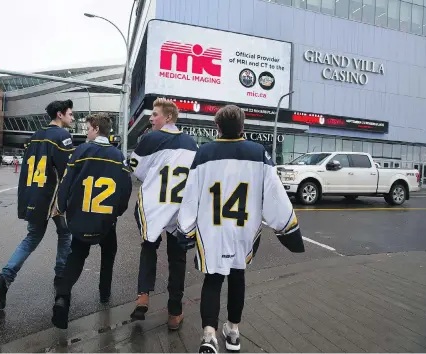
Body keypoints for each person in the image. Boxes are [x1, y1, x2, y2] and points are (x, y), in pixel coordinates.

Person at [176, 105, 305, 353]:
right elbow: (275, 196)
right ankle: (233, 332)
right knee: (237, 277)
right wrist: (287, 229)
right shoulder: (258, 153)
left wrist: (185, 230)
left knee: (212, 279)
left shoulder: (204, 153)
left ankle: (209, 335)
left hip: (212, 230)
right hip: (244, 230)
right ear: (242, 126)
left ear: (218, 127)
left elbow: (190, 195)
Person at [0, 100, 75, 310]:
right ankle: (61, 275)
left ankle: (4, 278)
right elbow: (68, 170)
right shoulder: (62, 136)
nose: (72, 118)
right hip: (52, 197)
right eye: (70, 114)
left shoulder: (34, 136)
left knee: (32, 237)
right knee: (65, 233)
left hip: (33, 194)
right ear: (59, 114)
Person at [51, 113, 132, 329]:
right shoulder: (118, 156)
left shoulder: (81, 151)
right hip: (106, 220)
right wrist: (117, 213)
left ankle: (63, 296)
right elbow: (126, 190)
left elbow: (66, 182)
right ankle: (104, 295)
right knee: (109, 253)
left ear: (96, 128)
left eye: (88, 128)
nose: (87, 132)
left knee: (76, 256)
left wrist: (63, 207)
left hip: (82, 217)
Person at [128, 98, 198, 330]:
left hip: (156, 205)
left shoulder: (150, 138)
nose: (151, 118)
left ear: (168, 117)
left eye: (155, 114)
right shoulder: (191, 143)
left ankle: (143, 295)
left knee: (149, 246)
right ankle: (174, 312)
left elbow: (136, 168)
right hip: (179, 209)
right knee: (177, 260)